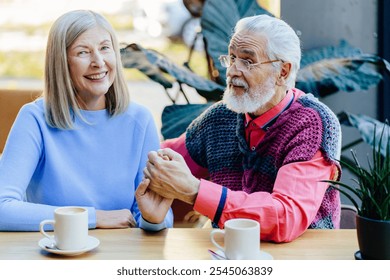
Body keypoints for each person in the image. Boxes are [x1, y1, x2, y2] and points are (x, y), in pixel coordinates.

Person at [141, 14, 342, 243]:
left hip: (300, 259)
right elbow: (161, 160)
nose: (232, 71)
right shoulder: (221, 116)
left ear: (282, 72)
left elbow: (285, 217)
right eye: (232, 58)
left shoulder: (312, 123)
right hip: (227, 254)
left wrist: (195, 192)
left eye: (247, 61)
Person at [0, 10, 173, 231]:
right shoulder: (35, 119)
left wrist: (152, 219)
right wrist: (93, 218)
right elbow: (2, 208)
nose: (98, 62)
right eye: (83, 52)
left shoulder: (140, 120)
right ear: (61, 62)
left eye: (104, 48)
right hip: (53, 254)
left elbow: (156, 216)